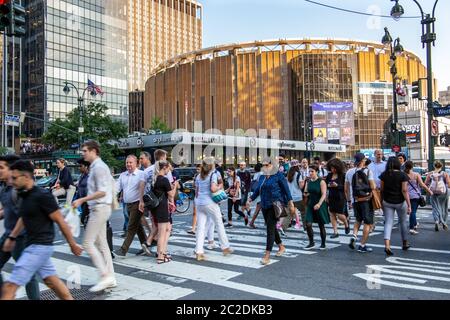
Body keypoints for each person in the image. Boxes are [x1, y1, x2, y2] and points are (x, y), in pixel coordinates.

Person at [1, 160, 83, 300]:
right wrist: (12, 237)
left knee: (10, 287)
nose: (12, 181)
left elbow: (60, 221)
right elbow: (23, 218)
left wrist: (72, 244)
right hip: (35, 246)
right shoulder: (23, 194)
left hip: (39, 247)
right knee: (52, 282)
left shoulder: (43, 195)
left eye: (15, 178)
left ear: (26, 177)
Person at [72, 140, 117, 292]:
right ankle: (110, 277)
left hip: (99, 208)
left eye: (85, 151)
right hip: (99, 208)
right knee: (102, 244)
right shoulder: (96, 167)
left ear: (93, 151)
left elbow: (102, 191)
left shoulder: (99, 168)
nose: (83, 153)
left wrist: (81, 200)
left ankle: (105, 276)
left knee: (87, 243)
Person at [0, 155, 40, 300]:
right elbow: (8, 210)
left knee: (28, 275)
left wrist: (12, 237)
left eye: (1, 168)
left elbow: (25, 214)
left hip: (21, 237)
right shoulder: (4, 188)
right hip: (9, 235)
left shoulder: (17, 190)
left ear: (11, 170)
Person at [247, 157, 294, 265]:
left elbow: (286, 190)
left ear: (272, 165)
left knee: (270, 229)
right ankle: (281, 246)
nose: (264, 167)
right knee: (271, 227)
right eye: (263, 165)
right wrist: (250, 199)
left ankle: (267, 255)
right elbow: (258, 190)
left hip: (276, 204)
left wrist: (291, 203)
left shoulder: (279, 175)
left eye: (266, 165)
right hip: (265, 204)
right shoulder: (262, 176)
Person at [194, 157, 233, 261]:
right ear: (212, 165)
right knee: (219, 223)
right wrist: (220, 186)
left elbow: (196, 192)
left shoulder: (198, 176)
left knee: (201, 227)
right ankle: (225, 247)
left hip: (199, 203)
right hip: (210, 202)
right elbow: (213, 188)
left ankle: (199, 251)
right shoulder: (213, 174)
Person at [114, 155, 149, 258]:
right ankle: (146, 245)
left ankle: (123, 249)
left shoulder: (141, 174)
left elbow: (147, 187)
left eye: (130, 162)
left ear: (136, 163)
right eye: (127, 162)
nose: (128, 164)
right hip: (127, 204)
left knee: (131, 226)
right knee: (138, 227)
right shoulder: (123, 175)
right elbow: (117, 188)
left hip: (138, 203)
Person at [379, 157, 412, 256]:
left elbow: (381, 190)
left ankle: (387, 246)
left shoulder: (384, 174)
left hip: (387, 201)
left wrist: (381, 202)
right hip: (400, 202)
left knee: (388, 223)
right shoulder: (403, 175)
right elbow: (404, 190)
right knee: (403, 223)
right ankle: (405, 243)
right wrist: (409, 204)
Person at [345, 153, 376, 253]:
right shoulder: (368, 171)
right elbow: (373, 186)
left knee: (358, 219)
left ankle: (354, 236)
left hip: (355, 200)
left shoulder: (349, 172)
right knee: (367, 222)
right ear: (363, 160)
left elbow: (346, 189)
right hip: (366, 200)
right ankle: (362, 245)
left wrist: (349, 201)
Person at [150, 161, 177, 264]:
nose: (169, 171)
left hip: (156, 208)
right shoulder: (164, 180)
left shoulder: (155, 179)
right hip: (162, 208)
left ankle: (162, 253)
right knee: (162, 233)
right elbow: (171, 195)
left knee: (163, 230)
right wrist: (175, 186)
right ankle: (160, 256)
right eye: (168, 168)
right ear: (164, 167)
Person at [303, 165, 330, 250]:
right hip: (311, 204)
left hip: (320, 205)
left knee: (321, 225)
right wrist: (306, 193)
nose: (310, 173)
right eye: (309, 171)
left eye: (312, 171)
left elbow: (324, 194)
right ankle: (311, 242)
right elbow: (305, 192)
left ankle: (323, 243)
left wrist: (319, 204)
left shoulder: (321, 181)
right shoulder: (308, 181)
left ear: (317, 172)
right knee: (308, 224)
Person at [404, 161, 433, 235]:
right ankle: (411, 227)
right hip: (415, 196)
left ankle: (415, 223)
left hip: (406, 195)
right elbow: (422, 185)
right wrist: (429, 191)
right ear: (412, 166)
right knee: (413, 212)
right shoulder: (416, 175)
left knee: (411, 211)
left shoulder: (403, 175)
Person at [326, 158, 350, 238]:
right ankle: (335, 232)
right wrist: (328, 186)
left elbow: (345, 187)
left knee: (340, 214)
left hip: (340, 197)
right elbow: (326, 185)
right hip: (331, 197)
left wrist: (337, 186)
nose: (333, 169)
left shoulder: (343, 175)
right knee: (332, 214)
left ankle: (346, 223)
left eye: (334, 168)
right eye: (331, 167)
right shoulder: (329, 175)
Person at [425, 161, 450, 231]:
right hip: (443, 193)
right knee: (443, 208)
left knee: (435, 207)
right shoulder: (445, 174)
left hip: (433, 193)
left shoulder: (430, 174)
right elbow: (449, 184)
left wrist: (430, 189)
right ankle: (444, 222)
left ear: (434, 166)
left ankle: (436, 221)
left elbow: (425, 183)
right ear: (441, 166)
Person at [281, 161, 303, 231]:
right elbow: (300, 186)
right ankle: (297, 222)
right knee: (294, 209)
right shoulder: (298, 174)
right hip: (297, 195)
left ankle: (291, 222)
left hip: (289, 195)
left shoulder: (288, 175)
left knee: (291, 209)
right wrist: (304, 181)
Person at [76, 158, 91, 227]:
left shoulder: (90, 176)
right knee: (85, 221)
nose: (79, 168)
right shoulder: (82, 176)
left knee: (83, 219)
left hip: (88, 202)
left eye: (80, 166)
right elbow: (79, 189)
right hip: (83, 202)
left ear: (86, 167)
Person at [187, 165, 201, 235]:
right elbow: (194, 186)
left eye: (199, 169)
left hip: (203, 197)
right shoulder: (196, 176)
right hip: (197, 196)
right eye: (197, 169)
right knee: (195, 213)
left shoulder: (205, 176)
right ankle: (193, 229)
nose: (197, 170)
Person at [249, 163, 263, 229]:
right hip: (260, 193)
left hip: (255, 192)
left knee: (262, 207)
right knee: (258, 208)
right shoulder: (261, 173)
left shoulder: (256, 174)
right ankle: (252, 222)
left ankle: (267, 221)